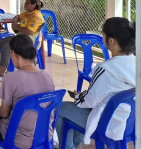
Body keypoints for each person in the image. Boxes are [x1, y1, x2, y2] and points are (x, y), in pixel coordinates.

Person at [55, 17, 136, 149]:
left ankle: (68, 146)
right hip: (130, 123)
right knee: (78, 107)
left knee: (60, 108)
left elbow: (89, 101)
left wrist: (78, 96)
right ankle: (76, 144)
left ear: (111, 41)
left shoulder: (105, 69)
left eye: (103, 35)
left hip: (107, 123)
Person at [0, 34, 55, 148]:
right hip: (45, 135)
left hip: (17, 139)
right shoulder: (47, 76)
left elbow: (4, 113)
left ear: (14, 54)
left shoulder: (10, 78)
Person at [0, 0, 44, 82]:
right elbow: (18, 17)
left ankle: (0, 74)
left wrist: (16, 27)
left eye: (27, 3)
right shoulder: (28, 13)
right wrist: (16, 18)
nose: (25, 4)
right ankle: (10, 68)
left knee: (7, 45)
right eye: (25, 2)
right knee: (2, 41)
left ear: (34, 5)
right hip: (22, 37)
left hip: (29, 41)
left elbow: (30, 31)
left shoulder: (36, 17)